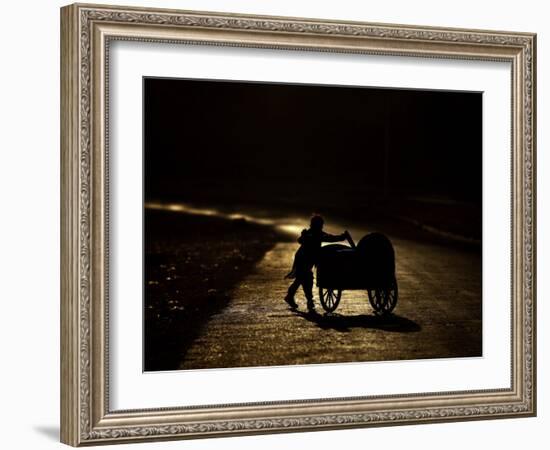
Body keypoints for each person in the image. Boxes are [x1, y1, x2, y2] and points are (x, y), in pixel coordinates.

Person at [284, 214, 347, 311]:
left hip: (307, 260)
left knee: (301, 279)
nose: (321, 226)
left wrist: (341, 237)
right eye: (320, 224)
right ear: (316, 225)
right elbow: (301, 240)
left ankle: (292, 297)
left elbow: (329, 237)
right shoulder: (311, 233)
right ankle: (308, 300)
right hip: (302, 259)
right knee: (306, 279)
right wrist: (341, 237)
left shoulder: (316, 233)